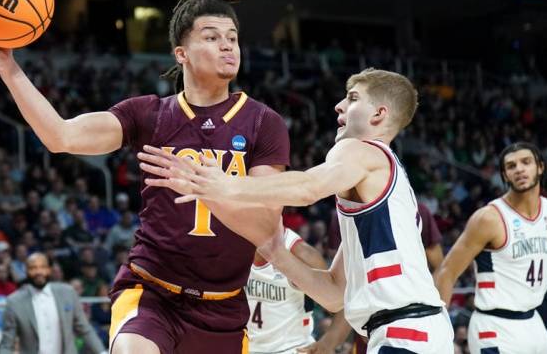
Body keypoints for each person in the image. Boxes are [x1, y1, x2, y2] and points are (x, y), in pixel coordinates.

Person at [0, 0, 290, 354]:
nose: (228, 46)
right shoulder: (149, 115)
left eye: (233, 38)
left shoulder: (263, 123)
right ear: (180, 53)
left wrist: (209, 188)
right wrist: (8, 67)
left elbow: (267, 231)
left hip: (225, 307)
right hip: (151, 291)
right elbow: (60, 137)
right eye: (212, 37)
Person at [138, 68, 454, 353]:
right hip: (413, 330)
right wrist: (276, 251)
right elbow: (333, 295)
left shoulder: (362, 149)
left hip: (405, 331)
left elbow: (307, 188)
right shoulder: (379, 192)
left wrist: (225, 185)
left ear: (379, 114)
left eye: (353, 98)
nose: (339, 106)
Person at [435, 142, 547, 354]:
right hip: (494, 326)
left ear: (540, 167)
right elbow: (448, 271)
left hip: (534, 322)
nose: (519, 169)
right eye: (511, 166)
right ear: (504, 175)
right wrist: (438, 330)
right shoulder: (489, 218)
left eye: (526, 162)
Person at [308, 201, 444, 353]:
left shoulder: (415, 208)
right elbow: (346, 285)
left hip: (410, 320)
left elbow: (440, 266)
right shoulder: (343, 211)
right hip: (376, 323)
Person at [0, 252, 105, 354]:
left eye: (42, 267)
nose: (39, 272)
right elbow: (7, 343)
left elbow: (85, 329)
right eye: (33, 268)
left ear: (49, 270)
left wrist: (102, 352)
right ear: (26, 271)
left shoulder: (67, 293)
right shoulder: (14, 301)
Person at [246, 227, 326, 354]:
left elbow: (342, 304)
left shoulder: (303, 254)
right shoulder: (235, 246)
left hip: (291, 348)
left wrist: (328, 342)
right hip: (243, 348)